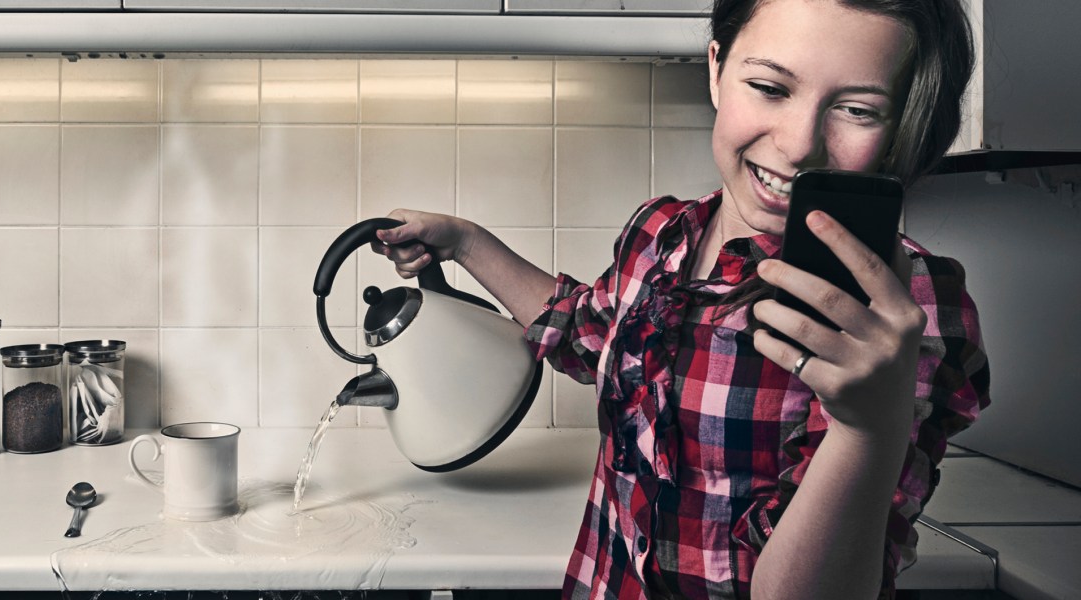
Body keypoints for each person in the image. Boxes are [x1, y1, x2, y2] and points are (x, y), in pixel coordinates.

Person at [372, 0, 990, 597]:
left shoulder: (906, 312)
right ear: (717, 69)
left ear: (901, 123)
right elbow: (586, 331)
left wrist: (869, 431)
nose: (800, 143)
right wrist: (465, 242)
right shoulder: (661, 233)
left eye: (857, 109)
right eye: (771, 88)